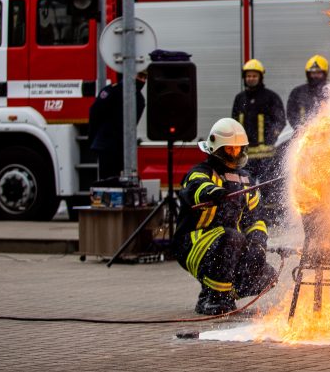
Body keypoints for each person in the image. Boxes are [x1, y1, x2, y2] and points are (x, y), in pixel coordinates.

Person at [171, 118, 277, 315]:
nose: (235, 154)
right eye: (229, 149)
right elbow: (196, 187)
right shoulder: (200, 172)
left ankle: (223, 293)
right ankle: (214, 299)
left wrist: (257, 244)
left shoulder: (246, 180)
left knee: (267, 274)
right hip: (193, 243)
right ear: (216, 148)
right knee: (232, 237)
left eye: (238, 149)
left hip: (229, 243)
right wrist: (214, 192)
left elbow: (256, 219)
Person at [232, 59, 286, 222]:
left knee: (268, 189)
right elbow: (233, 121)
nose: (251, 79)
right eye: (248, 76)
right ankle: (246, 218)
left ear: (261, 77)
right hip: (244, 156)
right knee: (243, 189)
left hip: (266, 155)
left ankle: (270, 219)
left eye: (254, 75)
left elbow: (280, 120)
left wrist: (271, 138)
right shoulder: (239, 98)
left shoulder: (270, 98)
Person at [87, 71, 147, 178]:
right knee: (106, 181)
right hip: (106, 146)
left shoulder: (139, 100)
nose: (143, 81)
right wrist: (94, 138)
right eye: (140, 76)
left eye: (145, 78)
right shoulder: (112, 91)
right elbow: (95, 114)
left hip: (123, 149)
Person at [286, 54, 330, 130]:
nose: (315, 76)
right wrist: (301, 129)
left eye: (319, 73)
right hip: (304, 135)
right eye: (313, 73)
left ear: (325, 73)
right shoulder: (298, 92)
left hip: (329, 134)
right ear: (308, 74)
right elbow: (291, 114)